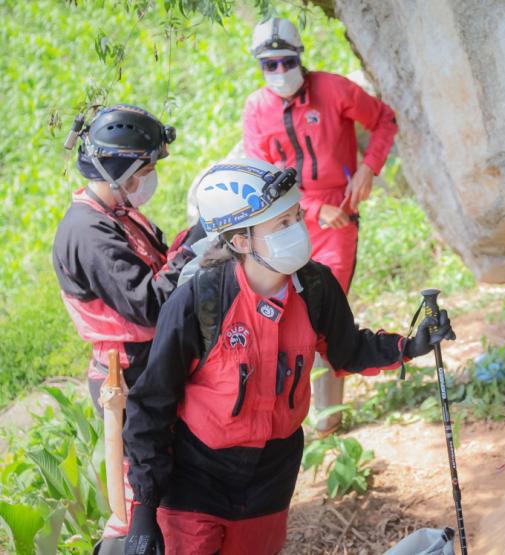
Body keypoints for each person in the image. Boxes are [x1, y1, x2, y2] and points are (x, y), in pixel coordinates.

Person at [122, 159, 453, 555]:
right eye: (280, 224)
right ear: (240, 240)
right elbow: (151, 403)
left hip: (270, 480)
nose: (297, 229)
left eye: (296, 216)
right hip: (195, 479)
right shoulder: (200, 302)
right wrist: (145, 507)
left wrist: (410, 346)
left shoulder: (316, 288)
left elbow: (348, 350)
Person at [52, 104, 202, 541]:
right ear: (120, 168)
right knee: (140, 493)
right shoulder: (88, 232)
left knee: (170, 481)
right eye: (146, 168)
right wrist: (194, 246)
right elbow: (150, 304)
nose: (149, 178)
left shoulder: (116, 212)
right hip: (127, 376)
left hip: (150, 362)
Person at [242, 17, 399, 433]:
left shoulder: (333, 89)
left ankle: (328, 426)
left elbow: (384, 120)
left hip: (339, 219)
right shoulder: (257, 110)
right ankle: (282, 420)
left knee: (326, 317)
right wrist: (311, 207)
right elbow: (261, 174)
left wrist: (369, 168)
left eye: (285, 61)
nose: (278, 72)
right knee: (280, 316)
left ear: (300, 58)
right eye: (268, 65)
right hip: (284, 221)